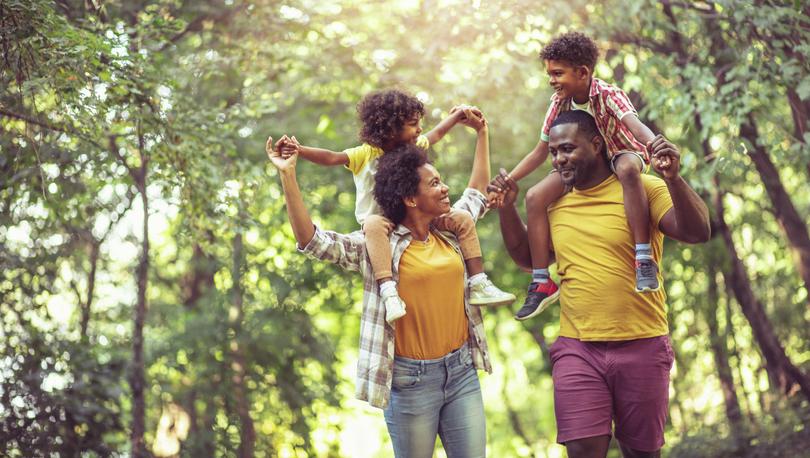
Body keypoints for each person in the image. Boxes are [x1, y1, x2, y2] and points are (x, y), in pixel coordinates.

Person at [267, 111, 496, 457]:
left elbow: (477, 192)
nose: (445, 187)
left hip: (461, 371)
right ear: (409, 198)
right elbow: (312, 240)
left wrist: (482, 133)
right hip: (411, 381)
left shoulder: (449, 230)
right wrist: (289, 176)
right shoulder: (377, 247)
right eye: (434, 183)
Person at [490, 110, 710, 458]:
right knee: (581, 449)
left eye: (567, 149)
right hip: (579, 347)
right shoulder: (553, 202)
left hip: (643, 342)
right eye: (554, 152)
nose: (559, 159)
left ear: (596, 144)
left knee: (641, 452)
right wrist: (506, 208)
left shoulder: (641, 188)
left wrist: (674, 179)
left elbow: (697, 232)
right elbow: (528, 259)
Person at [278, 89, 513, 324]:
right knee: (373, 224)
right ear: (390, 128)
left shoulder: (442, 222)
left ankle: (479, 281)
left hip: (459, 357)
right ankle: (388, 291)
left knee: (462, 217)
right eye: (413, 124)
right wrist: (297, 155)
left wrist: (465, 119)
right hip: (379, 225)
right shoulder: (366, 154)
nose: (419, 129)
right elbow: (331, 158)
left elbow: (439, 134)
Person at [495, 32, 658, 321]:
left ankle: (643, 256)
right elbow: (540, 151)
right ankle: (542, 280)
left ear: (582, 73)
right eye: (549, 74)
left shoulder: (609, 94)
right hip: (583, 164)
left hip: (621, 152)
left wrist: (656, 145)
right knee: (535, 197)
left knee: (627, 169)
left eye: (558, 73)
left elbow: (635, 125)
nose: (552, 80)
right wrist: (511, 180)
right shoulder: (559, 102)